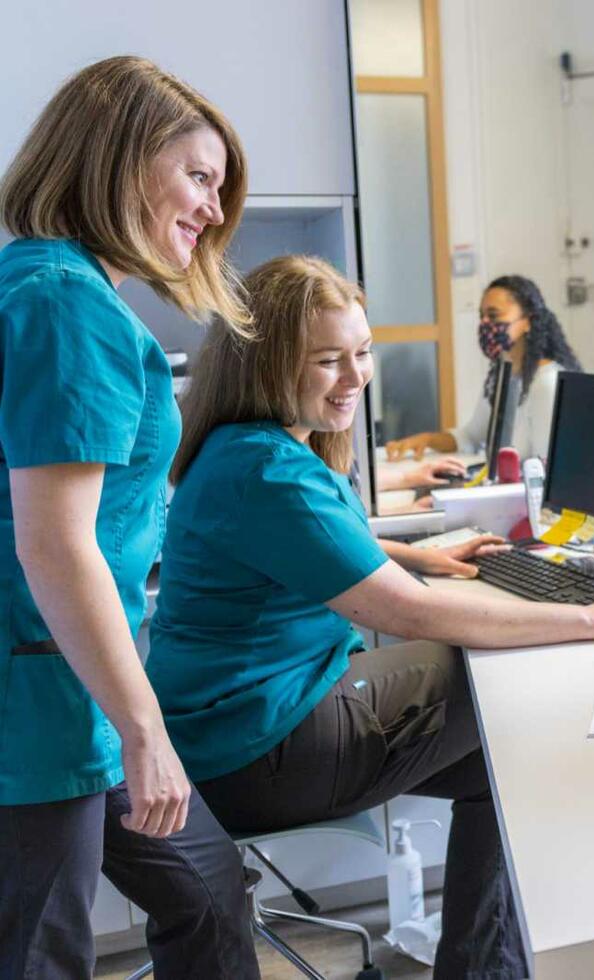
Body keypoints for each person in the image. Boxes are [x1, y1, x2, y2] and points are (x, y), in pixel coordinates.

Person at [146, 255, 594, 978]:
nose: (355, 377)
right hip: (262, 750)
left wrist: (414, 554)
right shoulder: (270, 471)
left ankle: (479, 966)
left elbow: (316, 544)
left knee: (498, 763)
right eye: (328, 361)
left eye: (362, 353)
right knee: (508, 686)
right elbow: (408, 618)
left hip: (237, 735)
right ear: (268, 364)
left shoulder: (250, 449)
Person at [0, 57, 258, 978]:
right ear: (117, 161)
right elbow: (56, 543)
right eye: (197, 176)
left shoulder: (45, 285)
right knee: (38, 955)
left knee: (206, 888)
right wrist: (146, 729)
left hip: (75, 685)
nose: (212, 208)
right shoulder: (66, 304)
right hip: (43, 700)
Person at [385, 274, 582, 463]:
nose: (485, 324)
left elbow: (545, 469)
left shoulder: (547, 383)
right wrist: (427, 440)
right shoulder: (502, 377)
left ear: (527, 322)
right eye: (482, 316)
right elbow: (472, 436)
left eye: (494, 315)